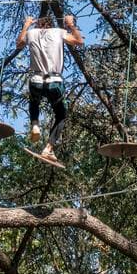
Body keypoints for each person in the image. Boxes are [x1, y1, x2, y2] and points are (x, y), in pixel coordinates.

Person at [16, 9, 84, 164]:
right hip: (54, 81)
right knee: (61, 115)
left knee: (34, 101)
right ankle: (48, 148)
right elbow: (79, 41)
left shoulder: (31, 33)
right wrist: (70, 25)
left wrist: (26, 25)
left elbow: (19, 44)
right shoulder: (59, 32)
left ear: (38, 25)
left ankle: (35, 124)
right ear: (51, 24)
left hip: (36, 80)